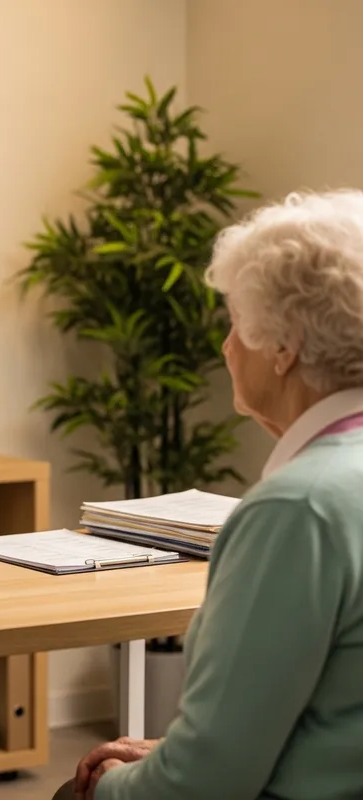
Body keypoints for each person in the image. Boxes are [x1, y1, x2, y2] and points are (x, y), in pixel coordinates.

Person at [54, 189, 363, 800]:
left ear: (284, 348)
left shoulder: (297, 509)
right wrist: (179, 748)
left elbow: (205, 785)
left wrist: (117, 783)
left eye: (235, 323)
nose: (225, 348)